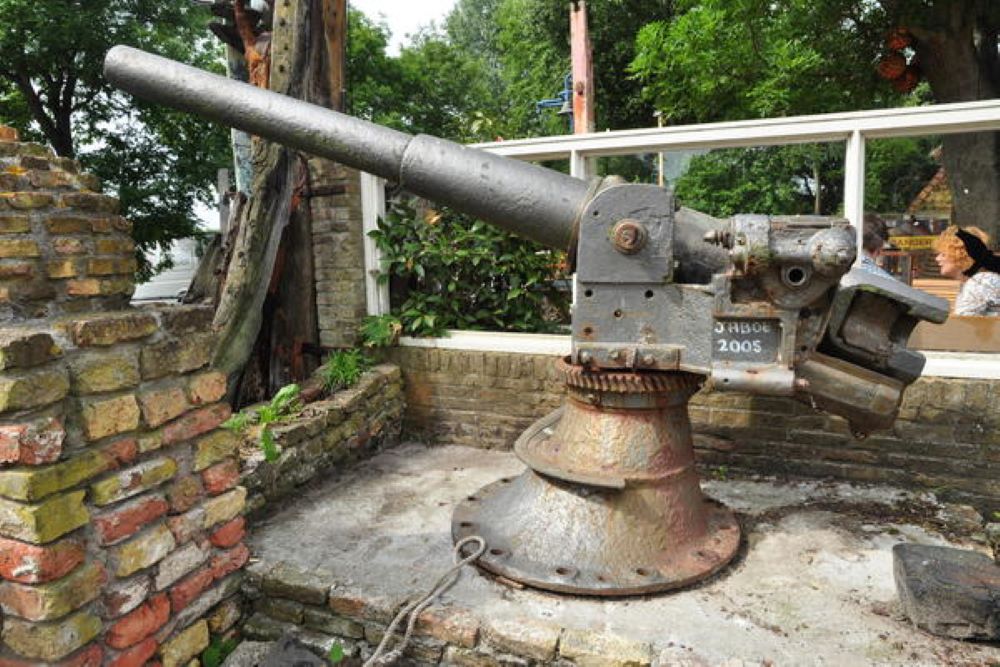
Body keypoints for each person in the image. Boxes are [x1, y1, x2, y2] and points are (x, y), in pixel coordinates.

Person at [933, 225, 1000, 316]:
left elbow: (963, 325)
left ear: (962, 256)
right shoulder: (980, 280)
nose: (937, 258)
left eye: (943, 254)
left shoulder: (980, 282)